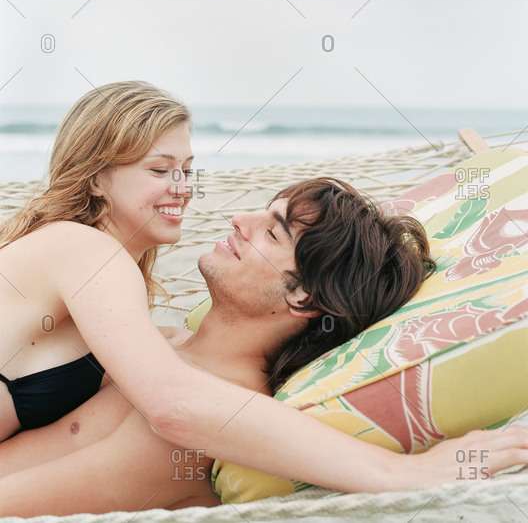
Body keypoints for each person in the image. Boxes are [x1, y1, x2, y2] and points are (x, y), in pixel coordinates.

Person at [0, 178, 527, 516]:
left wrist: (406, 474)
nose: (237, 220)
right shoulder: (158, 344)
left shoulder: (209, 419)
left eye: (271, 233)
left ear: (303, 296)